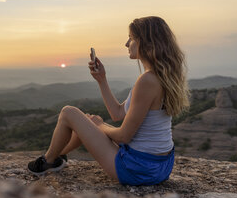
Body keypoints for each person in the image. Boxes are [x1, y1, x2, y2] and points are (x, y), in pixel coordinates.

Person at [27, 16, 190, 185]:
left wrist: (100, 125)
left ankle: (47, 162)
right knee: (88, 121)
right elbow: (118, 113)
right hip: (160, 165)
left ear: (146, 42)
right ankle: (54, 158)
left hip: (138, 169)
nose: (127, 44)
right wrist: (101, 79)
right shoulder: (162, 77)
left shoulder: (147, 81)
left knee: (69, 112)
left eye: (131, 38)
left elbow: (124, 136)